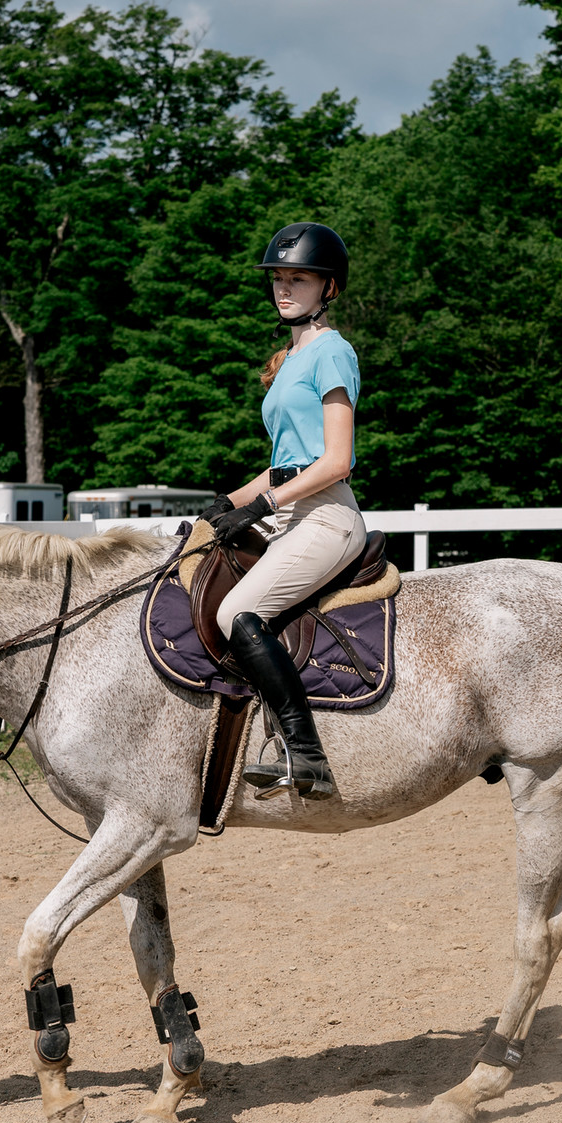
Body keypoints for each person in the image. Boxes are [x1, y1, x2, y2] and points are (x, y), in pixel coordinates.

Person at [202, 222, 367, 800]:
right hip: (286, 507)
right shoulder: (290, 357)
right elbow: (284, 464)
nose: (284, 287)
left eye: (298, 277)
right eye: (279, 277)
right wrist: (229, 503)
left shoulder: (332, 353)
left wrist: (265, 505)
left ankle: (306, 755)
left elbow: (337, 460)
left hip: (326, 516)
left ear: (329, 288)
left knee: (238, 614)